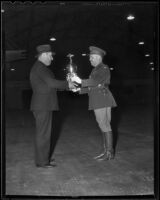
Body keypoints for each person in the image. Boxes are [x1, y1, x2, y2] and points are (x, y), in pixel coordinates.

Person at [30, 44, 76, 168]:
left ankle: (44, 158)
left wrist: (65, 86)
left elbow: (49, 86)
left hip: (43, 104)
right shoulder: (40, 68)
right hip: (43, 105)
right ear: (44, 55)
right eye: (50, 55)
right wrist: (68, 84)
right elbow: (52, 83)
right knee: (43, 134)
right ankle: (42, 162)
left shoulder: (40, 67)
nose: (52, 58)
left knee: (44, 133)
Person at [70, 46, 117, 161]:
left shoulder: (103, 68)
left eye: (91, 57)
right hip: (100, 99)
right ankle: (106, 151)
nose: (90, 59)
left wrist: (80, 80)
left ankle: (109, 153)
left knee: (104, 125)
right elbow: (93, 86)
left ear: (98, 57)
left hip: (102, 100)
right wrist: (79, 89)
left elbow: (96, 81)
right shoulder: (96, 69)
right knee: (103, 126)